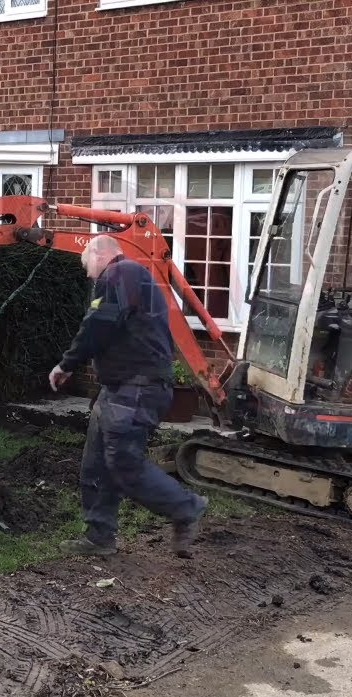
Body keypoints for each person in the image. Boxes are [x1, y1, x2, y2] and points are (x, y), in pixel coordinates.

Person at [49, 235, 208, 558]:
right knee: (96, 464)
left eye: (88, 268)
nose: (90, 277)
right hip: (118, 388)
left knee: (123, 462)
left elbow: (99, 323)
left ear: (100, 254)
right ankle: (99, 537)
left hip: (137, 388)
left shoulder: (120, 273)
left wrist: (67, 364)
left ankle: (186, 506)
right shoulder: (131, 277)